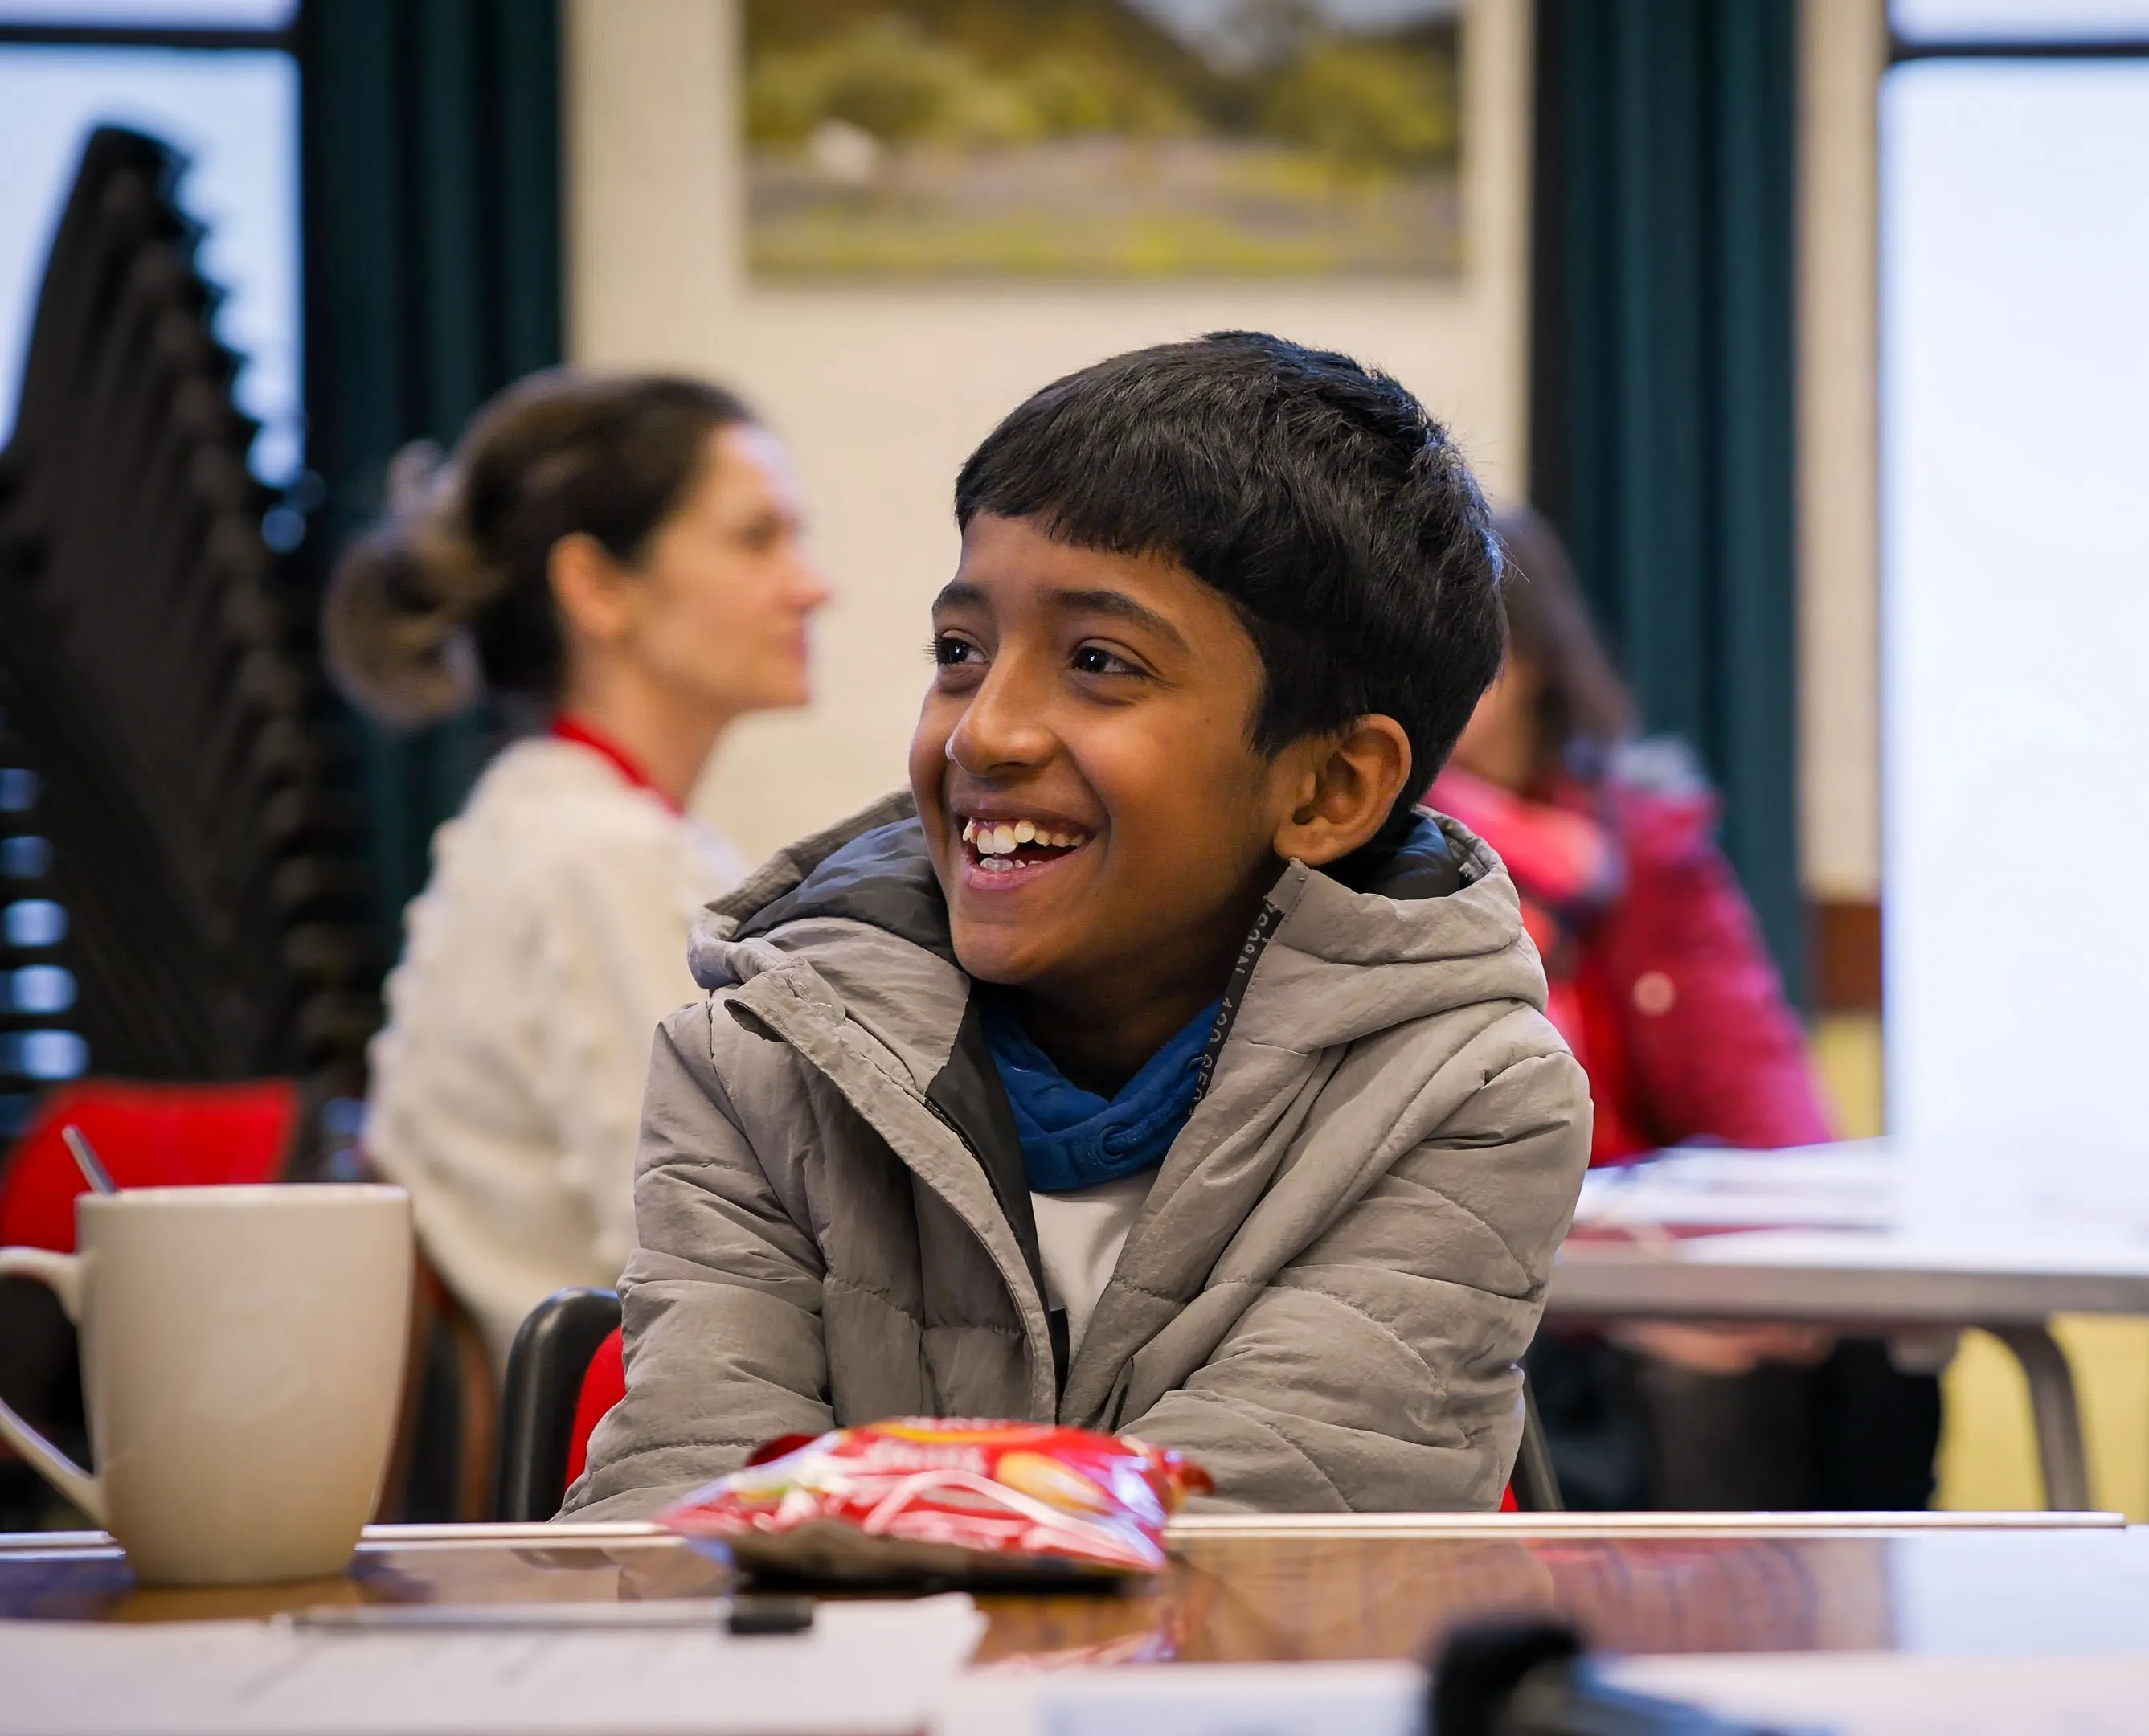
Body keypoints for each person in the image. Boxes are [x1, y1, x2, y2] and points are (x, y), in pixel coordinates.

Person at [563, 334, 1592, 1519]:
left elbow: (1254, 1544)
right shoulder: (756, 1060)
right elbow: (682, 1528)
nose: (982, 733)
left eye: (1100, 662)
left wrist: (855, 1523)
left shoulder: (1469, 1095)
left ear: (1328, 791)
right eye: (960, 653)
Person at [1427, 508, 1943, 1511]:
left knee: (1871, 1350)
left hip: (1655, 1250)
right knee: (1702, 1372)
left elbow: (1766, 1102)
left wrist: (1787, 1277)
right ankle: (1720, 1654)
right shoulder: (1376, 865)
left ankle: (1843, 1649)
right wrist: (1634, 1307)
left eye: (1463, 657)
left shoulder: (1650, 853)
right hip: (1527, 1285)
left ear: (1528, 661)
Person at [324, 371, 830, 1362]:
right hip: (591, 1483)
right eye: (757, 538)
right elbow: (707, 1264)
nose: (812, 584)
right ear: (597, 587)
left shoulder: (563, 817)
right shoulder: (597, 854)